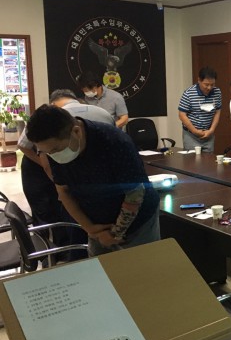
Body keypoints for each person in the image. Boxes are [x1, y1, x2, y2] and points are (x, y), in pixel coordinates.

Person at [25, 104, 160, 256]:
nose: (52, 155)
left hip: (138, 221)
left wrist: (115, 234)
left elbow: (135, 194)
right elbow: (63, 192)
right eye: (46, 152)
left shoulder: (114, 141)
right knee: (100, 267)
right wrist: (89, 228)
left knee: (141, 266)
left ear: (76, 131)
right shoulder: (53, 150)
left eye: (55, 150)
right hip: (97, 226)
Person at [18, 89, 116, 260]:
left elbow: (26, 148)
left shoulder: (50, 120)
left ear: (53, 105)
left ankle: (58, 256)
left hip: (71, 186)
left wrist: (58, 184)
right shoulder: (103, 114)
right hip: (101, 186)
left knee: (64, 219)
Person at [178, 66, 222, 152]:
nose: (209, 88)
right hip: (191, 135)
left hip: (208, 134)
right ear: (199, 80)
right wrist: (195, 131)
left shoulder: (217, 92)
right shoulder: (189, 93)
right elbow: (182, 115)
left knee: (208, 159)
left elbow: (217, 112)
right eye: (206, 84)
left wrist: (211, 130)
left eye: (212, 84)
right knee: (192, 159)